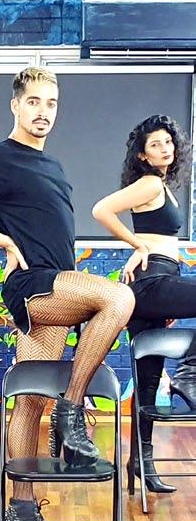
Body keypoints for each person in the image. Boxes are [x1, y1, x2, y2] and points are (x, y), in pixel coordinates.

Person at [0, 67, 134, 521]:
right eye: (34, 102)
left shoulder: (53, 166)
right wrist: (1, 239)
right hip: (31, 285)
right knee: (120, 299)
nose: (43, 111)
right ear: (16, 105)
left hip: (56, 288)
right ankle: (72, 410)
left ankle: (22, 510)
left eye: (51, 103)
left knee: (28, 403)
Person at [92, 114, 194, 496]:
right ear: (142, 155)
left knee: (148, 380)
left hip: (157, 284)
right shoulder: (149, 183)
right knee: (149, 378)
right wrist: (138, 245)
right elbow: (101, 210)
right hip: (152, 282)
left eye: (168, 142)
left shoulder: (163, 186)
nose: (165, 148)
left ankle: (141, 461)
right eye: (155, 144)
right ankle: (187, 375)